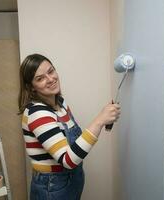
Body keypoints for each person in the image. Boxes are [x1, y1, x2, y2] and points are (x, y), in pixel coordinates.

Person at [18, 53, 120, 200]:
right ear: (31, 87)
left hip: (71, 181)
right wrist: (99, 120)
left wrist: (104, 118)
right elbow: (68, 160)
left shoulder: (60, 103)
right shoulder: (37, 113)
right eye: (40, 78)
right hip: (52, 187)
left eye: (51, 71)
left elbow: (75, 143)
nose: (50, 79)